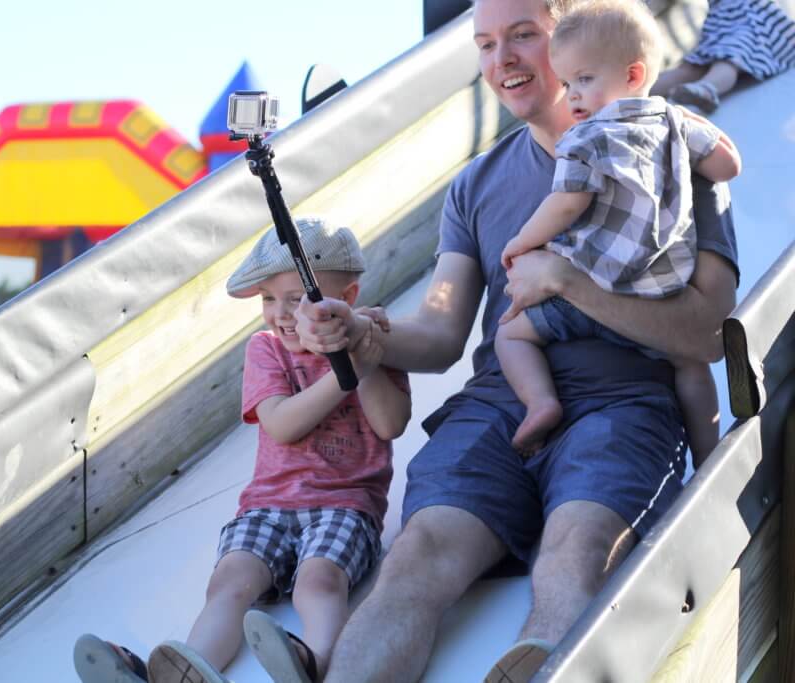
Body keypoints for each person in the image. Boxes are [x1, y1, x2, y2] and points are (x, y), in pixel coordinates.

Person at [294, 0, 739, 678]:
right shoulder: (474, 186)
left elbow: (708, 331)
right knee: (417, 553)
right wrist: (364, 334)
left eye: (523, 36)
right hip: (499, 408)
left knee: (578, 544)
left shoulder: (674, 150)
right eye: (484, 44)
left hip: (622, 403)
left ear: (568, 44)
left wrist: (567, 279)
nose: (500, 60)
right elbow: (442, 325)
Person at [73, 217, 412, 683]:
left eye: (296, 299)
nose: (280, 313)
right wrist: (343, 375)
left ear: (348, 299)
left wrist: (365, 357)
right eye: (269, 300)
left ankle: (316, 660)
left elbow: (391, 422)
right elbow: (281, 423)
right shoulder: (266, 350)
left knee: (319, 581)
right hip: (268, 506)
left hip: (345, 504)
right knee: (229, 581)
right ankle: (185, 669)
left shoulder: (374, 341)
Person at [495, 0, 742, 462]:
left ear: (632, 75)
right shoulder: (675, 121)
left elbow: (566, 204)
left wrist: (521, 242)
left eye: (584, 80)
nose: (573, 97)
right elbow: (727, 167)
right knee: (688, 365)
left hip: (597, 286)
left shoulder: (586, 138)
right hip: (664, 291)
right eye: (568, 84)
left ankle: (540, 403)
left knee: (512, 336)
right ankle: (709, 458)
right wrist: (714, 141)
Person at [651, 0, 795, 112]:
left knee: (724, 57)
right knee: (720, 58)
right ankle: (705, 88)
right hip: (735, 13)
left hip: (732, 14)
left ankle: (706, 88)